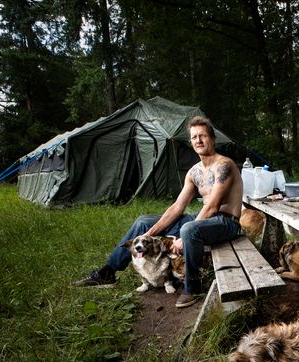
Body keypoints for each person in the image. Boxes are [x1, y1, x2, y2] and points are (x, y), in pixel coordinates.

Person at [74, 115, 243, 308]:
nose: (198, 140)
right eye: (195, 137)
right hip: (204, 220)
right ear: (190, 142)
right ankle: (107, 272)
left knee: (188, 229)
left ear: (212, 139)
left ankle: (192, 287)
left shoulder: (224, 166)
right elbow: (177, 207)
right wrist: (148, 234)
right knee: (143, 222)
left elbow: (212, 206)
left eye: (203, 136)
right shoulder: (194, 172)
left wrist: (181, 238)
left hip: (225, 222)